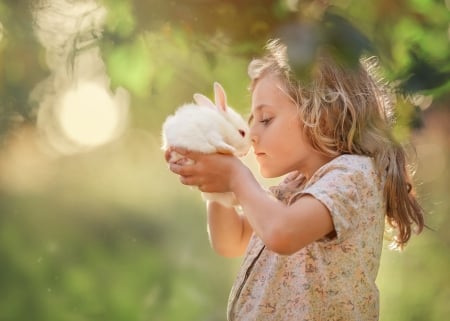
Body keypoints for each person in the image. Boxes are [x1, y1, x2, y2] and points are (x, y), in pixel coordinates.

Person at [165, 39, 425, 321]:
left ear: (322, 116)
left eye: (265, 119)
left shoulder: (353, 176)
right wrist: (216, 182)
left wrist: (235, 176)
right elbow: (232, 241)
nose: (252, 132)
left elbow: (282, 233)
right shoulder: (297, 184)